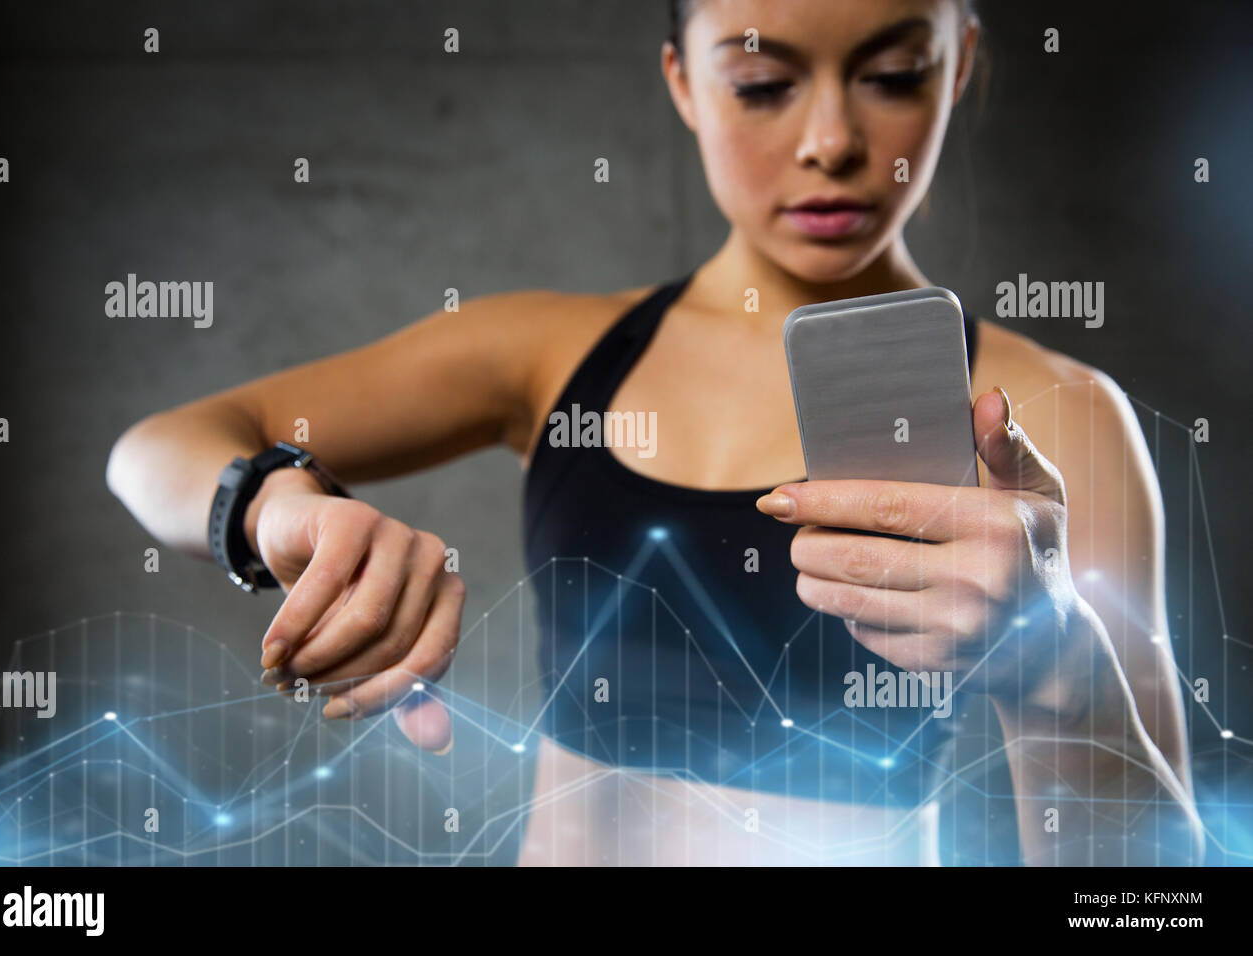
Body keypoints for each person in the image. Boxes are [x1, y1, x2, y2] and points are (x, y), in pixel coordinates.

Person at [107, 0, 1203, 865]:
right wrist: (275, 503)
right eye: (763, 82)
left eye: (892, 74)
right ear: (682, 78)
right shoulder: (549, 352)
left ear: (959, 62)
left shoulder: (1049, 417)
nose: (829, 140)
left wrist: (1059, 668)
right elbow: (158, 447)